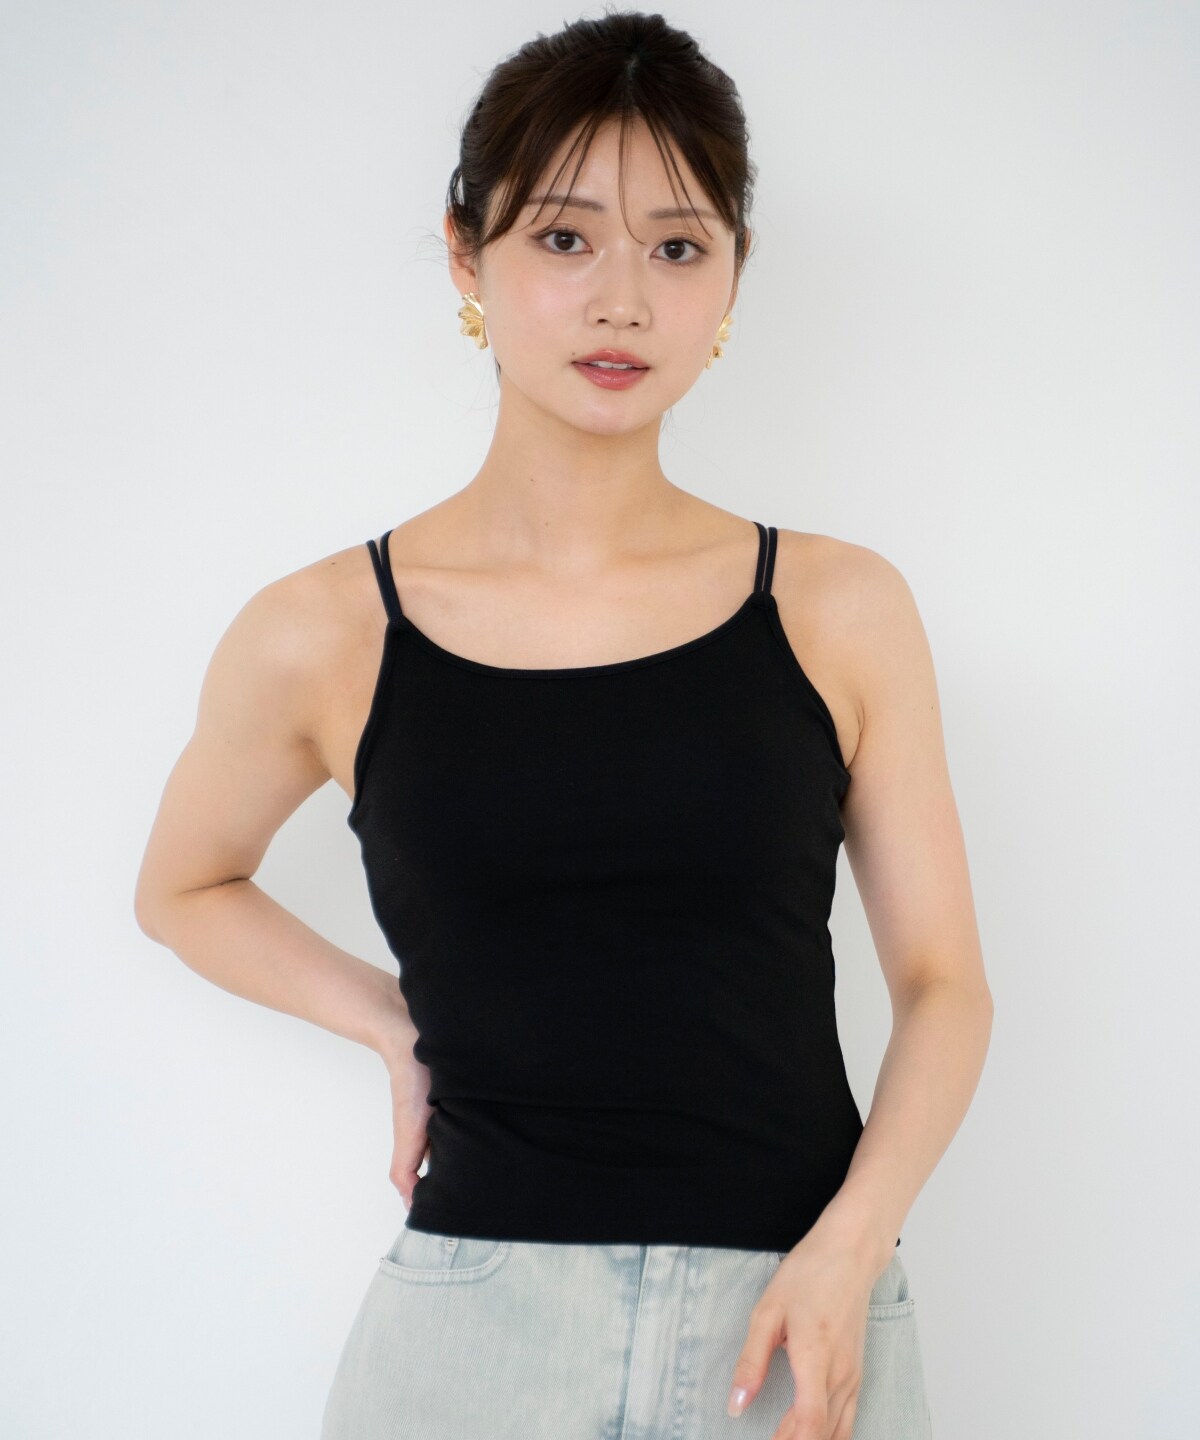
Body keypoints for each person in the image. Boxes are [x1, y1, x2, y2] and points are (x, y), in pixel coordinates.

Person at [134, 11, 993, 1439]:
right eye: (563, 237)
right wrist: (394, 1026)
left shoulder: (840, 608)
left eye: (677, 246)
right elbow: (182, 886)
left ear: (731, 278)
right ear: (466, 256)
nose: (622, 301)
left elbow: (947, 986)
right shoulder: (325, 631)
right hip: (474, 1334)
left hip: (793, 1320)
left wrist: (850, 1248)